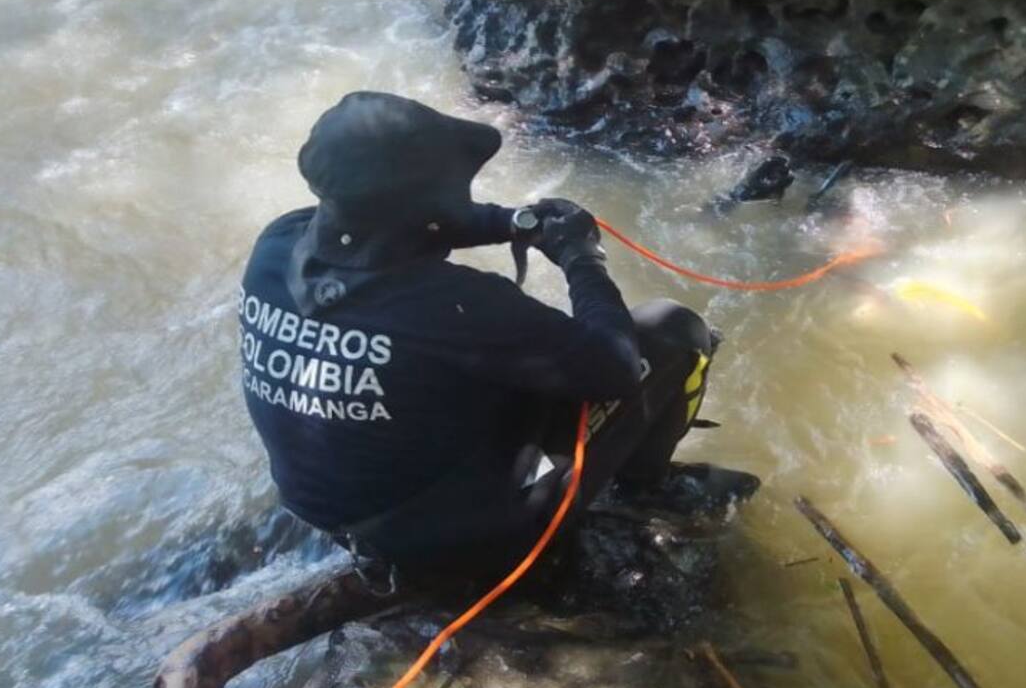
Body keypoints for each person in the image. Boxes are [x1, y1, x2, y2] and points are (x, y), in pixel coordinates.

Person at [238, 91, 719, 586]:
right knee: (673, 330)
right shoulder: (455, 305)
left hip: (328, 514)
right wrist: (581, 258)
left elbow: (391, 225)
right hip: (455, 548)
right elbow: (615, 367)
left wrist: (514, 222)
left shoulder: (279, 243)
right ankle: (645, 493)